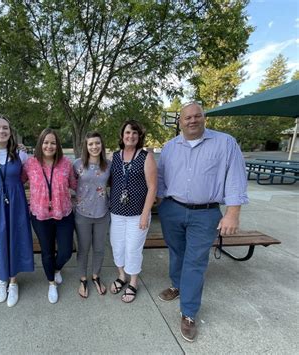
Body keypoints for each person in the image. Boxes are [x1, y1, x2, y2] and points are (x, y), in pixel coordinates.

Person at [156, 102, 248, 342]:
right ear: (180, 121)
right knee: (177, 252)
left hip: (205, 213)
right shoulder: (169, 147)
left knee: (195, 261)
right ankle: (177, 285)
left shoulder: (225, 143)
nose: (192, 121)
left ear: (204, 118)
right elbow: (162, 176)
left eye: (197, 116)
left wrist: (233, 213)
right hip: (172, 210)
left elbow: (236, 177)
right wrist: (160, 202)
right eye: (187, 117)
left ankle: (188, 312)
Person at [0, 115, 34, 307]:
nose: (1, 131)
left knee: (15, 237)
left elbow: (31, 176)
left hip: (16, 202)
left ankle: (13, 281)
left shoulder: (21, 155)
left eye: (5, 128)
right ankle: (2, 279)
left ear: (10, 132)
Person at [23, 128, 77, 304]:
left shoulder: (66, 163)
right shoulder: (30, 164)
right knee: (47, 252)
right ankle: (51, 283)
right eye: (46, 142)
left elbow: (75, 184)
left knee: (66, 251)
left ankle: (56, 269)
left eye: (53, 142)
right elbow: (17, 181)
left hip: (64, 213)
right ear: (40, 144)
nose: (49, 146)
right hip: (40, 215)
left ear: (58, 145)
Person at [109, 120, 157, 303]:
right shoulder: (115, 156)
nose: (131, 136)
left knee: (133, 249)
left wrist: (145, 214)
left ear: (139, 136)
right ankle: (121, 276)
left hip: (138, 213)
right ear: (122, 135)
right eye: (128, 132)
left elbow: (152, 187)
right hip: (117, 212)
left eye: (135, 133)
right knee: (117, 245)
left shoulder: (146, 157)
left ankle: (133, 282)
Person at [73, 132, 111, 298]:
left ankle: (96, 276)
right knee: (83, 249)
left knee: (100, 249)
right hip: (82, 214)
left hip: (102, 213)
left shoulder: (108, 165)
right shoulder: (77, 165)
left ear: (101, 145)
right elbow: (69, 183)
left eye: (97, 143)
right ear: (86, 146)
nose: (94, 147)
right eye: (91, 144)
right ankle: (83, 279)